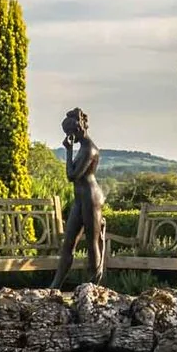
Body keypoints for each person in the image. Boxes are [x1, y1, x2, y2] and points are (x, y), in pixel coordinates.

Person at [53, 107, 105, 290]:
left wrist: (68, 152)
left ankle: (93, 287)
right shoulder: (82, 148)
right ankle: (55, 286)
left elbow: (72, 175)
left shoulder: (89, 149)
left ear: (79, 128)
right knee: (68, 243)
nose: (70, 136)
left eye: (70, 132)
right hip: (80, 200)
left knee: (92, 243)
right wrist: (70, 150)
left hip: (91, 199)